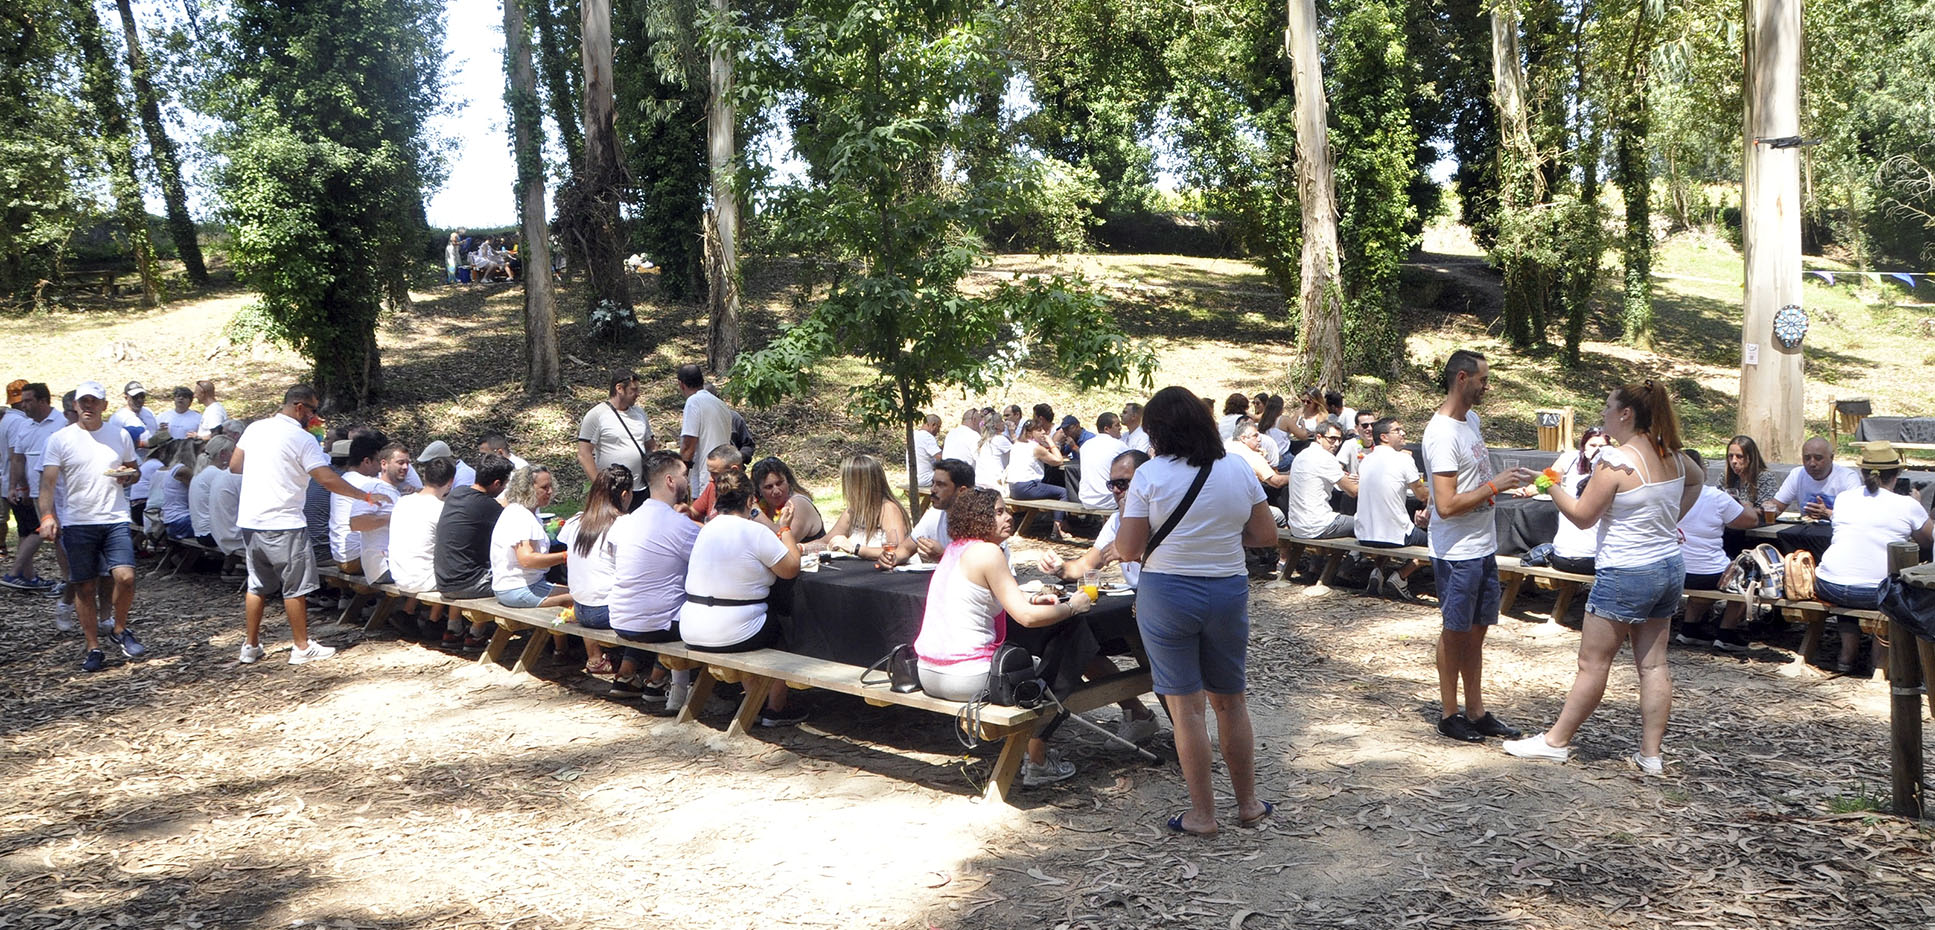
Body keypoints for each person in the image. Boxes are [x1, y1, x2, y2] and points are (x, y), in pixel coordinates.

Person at [1505, 382, 1703, 775]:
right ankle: (1651, 754)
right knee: (1653, 665)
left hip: (1627, 571)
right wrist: (1669, 519)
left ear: (1627, 414)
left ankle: (1556, 741)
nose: (1605, 415)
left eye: (1609, 408)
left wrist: (1551, 485)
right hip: (1667, 566)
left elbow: (1581, 515)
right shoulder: (1674, 456)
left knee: (1592, 664)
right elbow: (1697, 480)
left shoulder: (1615, 462)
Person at [1110, 386, 1277, 835]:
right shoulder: (1238, 468)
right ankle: (1248, 804)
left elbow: (1127, 548)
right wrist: (1218, 539)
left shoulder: (1149, 476)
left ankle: (1203, 814)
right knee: (1231, 702)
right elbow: (1265, 535)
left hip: (1166, 592)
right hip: (1226, 589)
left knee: (1187, 709)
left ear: (1157, 432)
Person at [913, 488, 1098, 785]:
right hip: (965, 677)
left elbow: (999, 603)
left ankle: (1036, 749)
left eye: (1007, 510)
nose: (1009, 517)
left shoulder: (956, 548)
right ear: (979, 518)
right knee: (1071, 638)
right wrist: (1071, 607)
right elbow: (1024, 618)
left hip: (928, 672)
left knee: (1033, 650)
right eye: (999, 512)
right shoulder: (989, 552)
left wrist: (1035, 602)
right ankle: (1037, 757)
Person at [1424, 350, 1536, 743]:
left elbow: (1470, 483)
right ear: (1461, 379)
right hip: (1456, 553)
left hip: (1482, 545)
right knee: (1455, 631)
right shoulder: (1440, 434)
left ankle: (1476, 710)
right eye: (1483, 380)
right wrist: (1494, 487)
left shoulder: (1471, 420)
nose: (1487, 387)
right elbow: (1447, 504)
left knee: (1477, 631)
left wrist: (1507, 487)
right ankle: (1449, 713)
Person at [230, 384, 379, 666]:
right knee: (295, 587)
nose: (314, 417)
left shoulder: (255, 428)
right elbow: (327, 479)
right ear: (299, 407)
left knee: (257, 585)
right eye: (313, 410)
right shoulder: (302, 438)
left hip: (251, 520)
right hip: (284, 520)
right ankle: (301, 646)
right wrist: (364, 496)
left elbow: (236, 466)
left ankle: (250, 645)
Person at [680, 470, 808, 727]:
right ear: (751, 500)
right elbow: (791, 567)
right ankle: (774, 707)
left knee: (757, 620)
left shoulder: (706, 530)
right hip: (732, 631)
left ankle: (755, 698)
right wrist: (784, 528)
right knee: (784, 629)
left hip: (692, 627)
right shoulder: (754, 532)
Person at [36, 381, 145, 671]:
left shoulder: (119, 435)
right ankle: (92, 646)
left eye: (94, 401)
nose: (88, 406)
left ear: (104, 406)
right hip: (77, 520)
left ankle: (119, 629)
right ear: (74, 405)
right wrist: (47, 517)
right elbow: (46, 483)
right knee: (84, 585)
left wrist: (129, 475)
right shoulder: (60, 439)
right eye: (83, 401)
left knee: (125, 577)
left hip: (115, 517)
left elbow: (134, 469)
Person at [1814, 442, 1934, 674]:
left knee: (1851, 581)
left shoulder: (1844, 499)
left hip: (1829, 585)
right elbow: (1928, 541)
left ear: (1863, 472)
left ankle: (1846, 655)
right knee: (1895, 590)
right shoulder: (1907, 505)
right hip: (1874, 593)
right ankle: (1879, 661)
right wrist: (1917, 506)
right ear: (1897, 474)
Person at [608, 451, 702, 710]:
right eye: (684, 475)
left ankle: (662, 685)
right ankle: (680, 691)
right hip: (655, 624)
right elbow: (711, 563)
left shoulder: (628, 520)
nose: (687, 480)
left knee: (662, 603)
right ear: (670, 481)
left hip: (620, 618)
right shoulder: (679, 525)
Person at [1675, 450, 1762, 651]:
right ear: (1700, 471)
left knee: (1708, 562)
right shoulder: (1714, 496)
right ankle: (1727, 632)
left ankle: (1690, 629)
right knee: (1747, 573)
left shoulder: (1664, 494)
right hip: (1706, 573)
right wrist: (1745, 504)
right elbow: (1750, 520)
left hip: (1672, 569)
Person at [559, 465, 631, 676]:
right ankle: (631, 672)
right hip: (606, 612)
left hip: (581, 609)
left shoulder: (576, 521)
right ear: (625, 495)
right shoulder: (623, 525)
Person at [1356, 418, 1430, 601]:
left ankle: (1377, 572)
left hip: (1364, 535)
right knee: (1437, 541)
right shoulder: (1403, 459)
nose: (1403, 433)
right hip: (1396, 536)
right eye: (1398, 430)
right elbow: (1422, 495)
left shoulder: (1365, 461)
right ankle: (1402, 575)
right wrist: (1441, 490)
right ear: (1384, 437)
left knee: (1387, 526)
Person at [388, 457, 456, 644]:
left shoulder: (403, 502)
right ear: (450, 482)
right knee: (459, 570)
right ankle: (439, 623)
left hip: (399, 574)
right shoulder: (443, 510)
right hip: (422, 579)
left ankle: (411, 613)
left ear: (425, 476)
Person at [4, 383, 63, 591]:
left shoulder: (61, 423)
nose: (24, 405)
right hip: (38, 493)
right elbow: (18, 459)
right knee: (50, 535)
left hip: (62, 492)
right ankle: (63, 579)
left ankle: (68, 580)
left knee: (59, 535)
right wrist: (15, 486)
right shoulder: (25, 427)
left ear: (43, 401)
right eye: (23, 401)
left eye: (29, 400)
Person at [437, 453, 514, 606]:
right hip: (468, 584)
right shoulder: (487, 507)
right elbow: (512, 524)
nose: (505, 488)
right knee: (519, 580)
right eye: (505, 484)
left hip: (444, 581)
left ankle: (462, 628)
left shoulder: (457, 493)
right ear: (497, 483)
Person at [491, 465, 572, 610]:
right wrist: (565, 556)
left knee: (578, 592)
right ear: (527, 489)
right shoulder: (521, 516)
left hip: (517, 586)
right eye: (544, 487)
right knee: (582, 599)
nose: (550, 491)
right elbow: (527, 560)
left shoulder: (523, 512)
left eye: (550, 486)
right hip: (517, 589)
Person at [577, 369, 655, 497]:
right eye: (633, 390)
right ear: (619, 388)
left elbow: (651, 446)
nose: (638, 394)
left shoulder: (640, 413)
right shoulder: (597, 415)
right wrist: (600, 487)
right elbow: (584, 454)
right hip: (612, 491)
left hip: (641, 490)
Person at [824, 453, 912, 560]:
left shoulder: (888, 509)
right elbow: (826, 541)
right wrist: (801, 548)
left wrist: (855, 549)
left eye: (847, 481)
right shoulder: (853, 510)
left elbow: (896, 551)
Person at [887, 458, 974, 565]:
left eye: (941, 485)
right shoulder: (935, 513)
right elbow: (905, 549)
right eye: (933, 483)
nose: (933, 489)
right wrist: (891, 558)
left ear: (962, 491)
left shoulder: (980, 521)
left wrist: (943, 555)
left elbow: (979, 568)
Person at [1545, 428, 1608, 575]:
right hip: (1589, 558)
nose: (1597, 450)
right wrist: (1530, 488)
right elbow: (1549, 477)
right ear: (1584, 446)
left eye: (1602, 446)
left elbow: (1545, 481)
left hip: (1562, 556)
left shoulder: (1608, 469)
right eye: (1593, 445)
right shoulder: (1571, 458)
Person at [350, 442, 410, 585]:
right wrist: (395, 517)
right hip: (383, 566)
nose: (405, 467)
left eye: (408, 463)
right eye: (400, 463)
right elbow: (356, 523)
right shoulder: (373, 488)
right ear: (384, 464)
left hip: (396, 562)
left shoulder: (394, 491)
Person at [1284, 423, 1357, 540]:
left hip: (1297, 526)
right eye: (1332, 439)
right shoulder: (1325, 457)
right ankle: (1353, 557)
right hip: (1319, 525)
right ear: (1319, 437)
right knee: (1367, 524)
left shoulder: (1301, 455)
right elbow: (1353, 491)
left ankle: (1327, 558)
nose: (1337, 444)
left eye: (1339, 439)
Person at [329, 435, 388, 574]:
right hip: (356, 558)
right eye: (378, 461)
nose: (381, 466)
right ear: (367, 461)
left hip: (340, 555)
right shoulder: (368, 484)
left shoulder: (344, 480)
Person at [676, 363, 736, 499]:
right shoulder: (720, 404)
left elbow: (688, 446)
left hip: (705, 476)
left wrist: (682, 474)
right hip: (723, 474)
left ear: (681, 384)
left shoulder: (693, 402)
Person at [1767, 437, 1860, 523]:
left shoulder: (1848, 477)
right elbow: (1777, 506)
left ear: (1831, 458)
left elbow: (1856, 516)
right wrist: (1767, 508)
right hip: (1806, 533)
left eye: (1818, 458)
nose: (1812, 463)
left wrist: (1827, 513)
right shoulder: (1797, 474)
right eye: (1807, 458)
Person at [1005, 420, 1069, 540]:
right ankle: (1057, 529)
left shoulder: (1017, 444)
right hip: (1027, 487)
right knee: (1063, 492)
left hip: (1014, 488)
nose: (1043, 432)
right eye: (1039, 430)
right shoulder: (1035, 448)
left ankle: (1060, 523)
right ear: (1030, 433)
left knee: (1050, 489)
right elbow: (1058, 460)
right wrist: (1051, 442)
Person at [750, 456, 825, 544]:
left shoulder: (797, 503)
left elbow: (782, 544)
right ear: (759, 490)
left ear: (788, 481)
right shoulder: (765, 505)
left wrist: (756, 513)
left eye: (779, 483)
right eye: (769, 487)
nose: (776, 491)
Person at [1076, 412, 1129, 510]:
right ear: (1106, 429)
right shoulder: (1119, 445)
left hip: (1086, 500)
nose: (1120, 428)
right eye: (1117, 425)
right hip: (1109, 500)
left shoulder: (1085, 445)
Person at [188, 435, 234, 545]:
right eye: (232, 451)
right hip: (210, 533)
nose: (234, 455)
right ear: (223, 454)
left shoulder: (202, 471)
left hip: (201, 531)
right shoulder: (216, 474)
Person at [1719, 434, 1779, 517]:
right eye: (1730, 456)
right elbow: (1717, 504)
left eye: (1739, 456)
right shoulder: (1725, 477)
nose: (1733, 461)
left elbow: (1766, 510)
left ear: (1750, 458)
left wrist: (1743, 508)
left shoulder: (1764, 477)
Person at [157, 438, 197, 540]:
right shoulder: (183, 471)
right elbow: (199, 494)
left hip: (172, 521)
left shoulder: (175, 468)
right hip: (179, 521)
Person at [107, 381, 160, 448]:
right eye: (135, 397)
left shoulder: (148, 412)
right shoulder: (118, 418)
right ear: (126, 397)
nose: (139, 400)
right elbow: (113, 442)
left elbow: (155, 432)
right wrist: (141, 444)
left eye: (142, 396)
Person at [973, 415, 1012, 490]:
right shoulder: (999, 439)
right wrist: (1012, 433)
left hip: (980, 482)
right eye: (1001, 421)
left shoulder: (983, 442)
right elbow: (1019, 453)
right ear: (996, 425)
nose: (1004, 423)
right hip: (995, 483)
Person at [910, 414, 943, 493]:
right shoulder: (927, 437)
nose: (938, 431)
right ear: (933, 425)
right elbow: (940, 457)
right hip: (926, 479)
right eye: (938, 427)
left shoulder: (914, 434)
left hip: (913, 477)